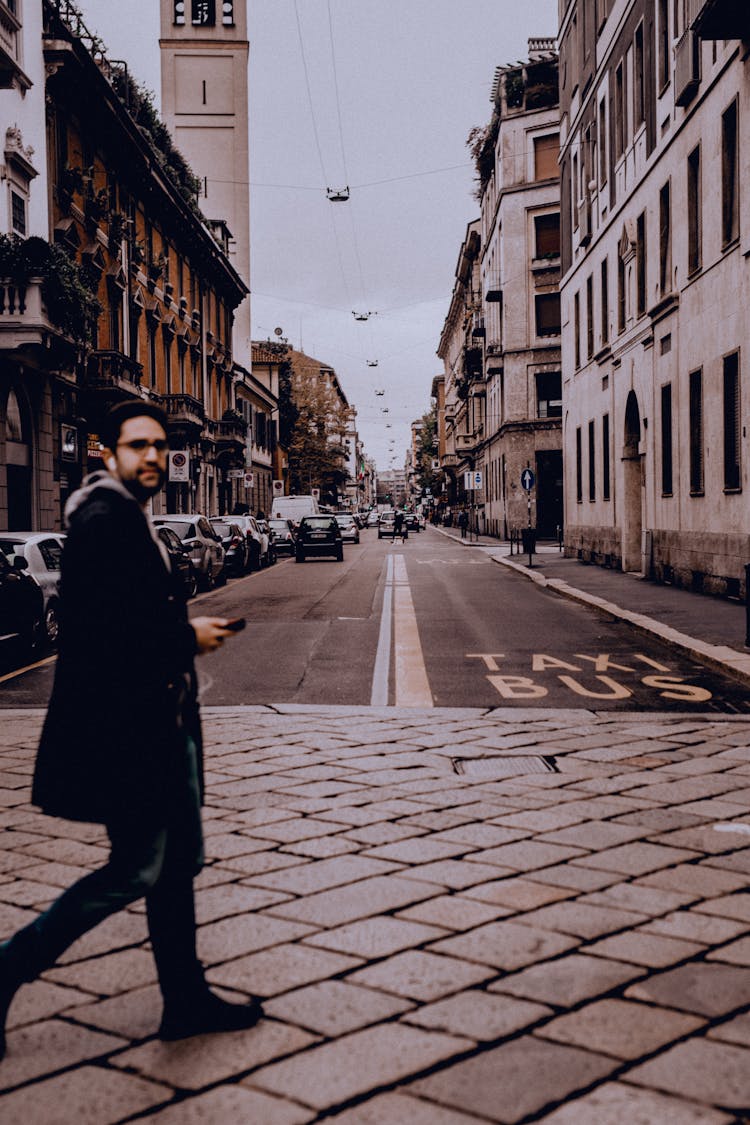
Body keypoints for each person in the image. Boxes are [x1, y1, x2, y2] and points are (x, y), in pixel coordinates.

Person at [0, 401, 262, 1060]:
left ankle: (184, 999)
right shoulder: (102, 520)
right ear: (106, 450)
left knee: (176, 864)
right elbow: (101, 635)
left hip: (164, 717)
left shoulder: (129, 515)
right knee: (135, 867)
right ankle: (6, 966)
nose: (152, 455)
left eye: (158, 444)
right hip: (128, 729)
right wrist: (186, 635)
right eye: (138, 445)